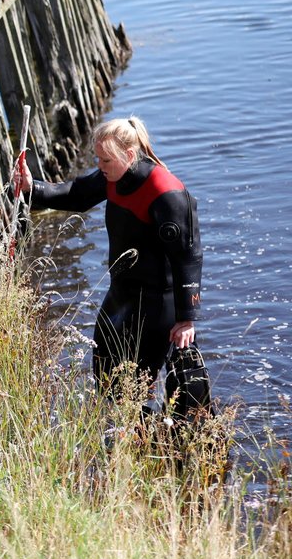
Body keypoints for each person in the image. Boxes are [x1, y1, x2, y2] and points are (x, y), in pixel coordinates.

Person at [12, 116, 212, 419]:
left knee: (138, 385)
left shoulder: (165, 191)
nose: (100, 165)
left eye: (105, 159)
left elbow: (189, 255)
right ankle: (125, 442)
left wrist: (187, 319)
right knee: (106, 375)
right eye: (98, 158)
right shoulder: (113, 176)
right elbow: (76, 195)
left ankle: (153, 443)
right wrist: (32, 187)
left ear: (128, 156)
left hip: (158, 303)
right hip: (122, 294)